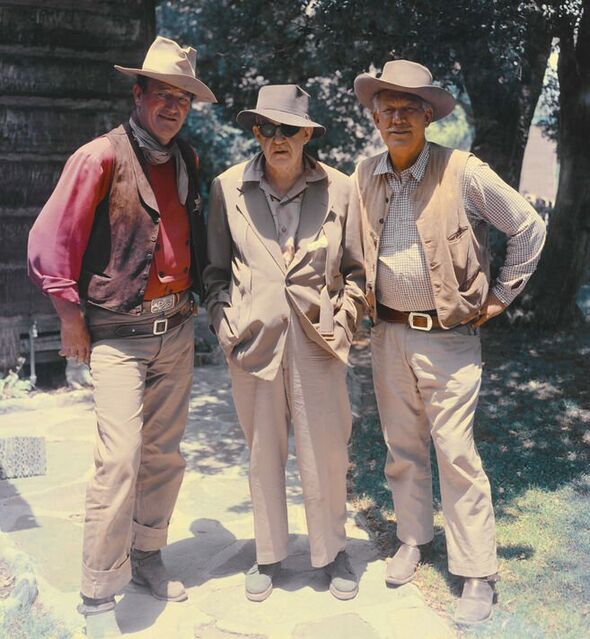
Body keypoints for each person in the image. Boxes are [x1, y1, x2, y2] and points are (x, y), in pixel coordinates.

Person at [350, 60, 546, 624]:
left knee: (456, 453)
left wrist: (501, 298)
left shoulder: (462, 171)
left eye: (408, 108)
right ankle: (413, 539)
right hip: (387, 334)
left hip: (449, 339)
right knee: (402, 448)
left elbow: (528, 226)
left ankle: (477, 571)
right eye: (386, 109)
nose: (396, 118)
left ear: (428, 115)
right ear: (376, 117)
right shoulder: (365, 175)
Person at [27, 36, 216, 623]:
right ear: (138, 94)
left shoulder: (186, 158)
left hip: (176, 331)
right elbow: (49, 244)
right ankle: (97, 588)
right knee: (121, 457)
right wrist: (70, 320)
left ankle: (149, 554)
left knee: (164, 455)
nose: (172, 107)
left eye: (182, 100)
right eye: (162, 95)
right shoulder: (99, 157)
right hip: (116, 336)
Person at [204, 85, 366, 602]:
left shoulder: (341, 188)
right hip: (253, 341)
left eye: (288, 130)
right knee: (263, 453)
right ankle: (268, 554)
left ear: (306, 135)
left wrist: (344, 323)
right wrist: (224, 323)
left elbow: (359, 272)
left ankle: (332, 551)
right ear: (255, 131)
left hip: (319, 344)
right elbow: (212, 272)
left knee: (326, 452)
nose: (277, 139)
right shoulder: (226, 187)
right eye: (267, 128)